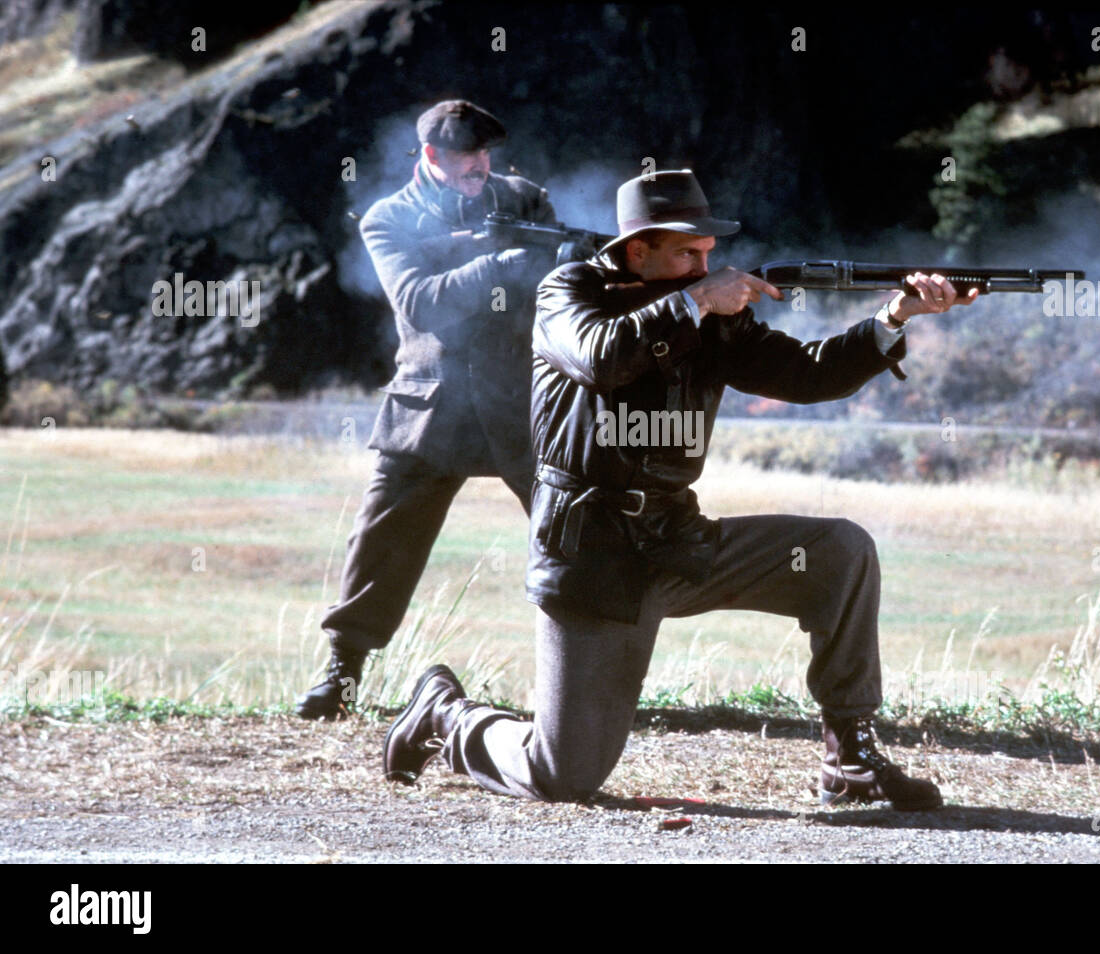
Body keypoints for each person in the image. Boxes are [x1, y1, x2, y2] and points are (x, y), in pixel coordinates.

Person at [382, 169, 979, 809]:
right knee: (562, 775)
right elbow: (601, 358)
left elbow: (808, 375)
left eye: (707, 255)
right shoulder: (569, 291)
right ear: (637, 249)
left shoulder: (711, 313)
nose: (704, 267)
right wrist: (696, 302)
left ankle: (851, 759)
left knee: (840, 552)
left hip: (677, 540)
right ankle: (447, 715)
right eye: (687, 253)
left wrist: (893, 317)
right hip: (592, 555)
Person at [296, 100, 557, 719]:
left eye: (485, 153)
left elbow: (558, 283)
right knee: (382, 538)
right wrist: (499, 265)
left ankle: (593, 676)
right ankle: (343, 673)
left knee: (573, 534)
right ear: (432, 155)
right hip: (432, 403)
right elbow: (419, 302)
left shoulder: (524, 200)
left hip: (520, 399)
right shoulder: (390, 219)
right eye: (466, 155)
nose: (479, 165)